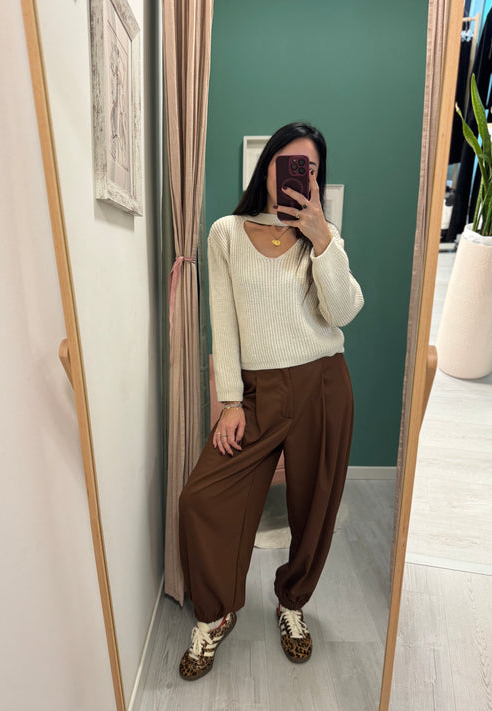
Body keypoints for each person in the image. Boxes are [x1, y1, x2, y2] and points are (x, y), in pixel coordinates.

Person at [177, 121, 364, 681]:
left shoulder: (322, 238)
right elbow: (224, 322)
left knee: (315, 507)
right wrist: (230, 402)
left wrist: (322, 237)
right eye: (288, 163)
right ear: (268, 168)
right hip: (257, 394)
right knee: (202, 497)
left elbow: (344, 311)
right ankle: (216, 614)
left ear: (316, 180)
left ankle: (291, 603)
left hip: (323, 385)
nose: (297, 175)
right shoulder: (226, 233)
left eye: (309, 169)